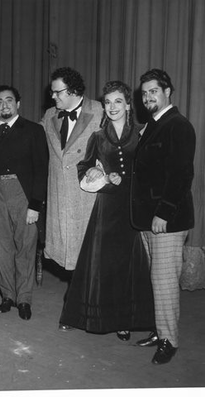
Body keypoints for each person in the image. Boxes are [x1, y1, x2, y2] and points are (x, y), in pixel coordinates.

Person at [58, 81, 155, 340]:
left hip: (133, 207)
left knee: (129, 264)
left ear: (127, 105)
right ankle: (97, 318)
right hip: (108, 208)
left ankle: (125, 320)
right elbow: (84, 167)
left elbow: (150, 169)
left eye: (117, 102)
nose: (112, 107)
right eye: (108, 102)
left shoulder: (143, 132)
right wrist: (96, 172)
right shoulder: (98, 137)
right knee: (104, 265)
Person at [131, 69, 195, 365]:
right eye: (144, 93)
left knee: (165, 280)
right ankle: (160, 331)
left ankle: (169, 340)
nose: (147, 98)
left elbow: (181, 175)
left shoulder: (178, 125)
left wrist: (163, 214)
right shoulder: (153, 124)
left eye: (153, 91)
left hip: (165, 220)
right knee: (154, 280)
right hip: (148, 220)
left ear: (168, 91)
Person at [39, 67, 102, 329]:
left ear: (74, 90)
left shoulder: (99, 111)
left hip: (88, 197)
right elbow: (32, 138)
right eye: (52, 92)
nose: (53, 97)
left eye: (58, 92)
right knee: (73, 257)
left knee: (93, 256)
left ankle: (88, 309)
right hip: (61, 198)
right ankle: (76, 307)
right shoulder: (49, 115)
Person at [0, 85, 48, 320]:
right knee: (2, 246)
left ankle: (24, 299)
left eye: (9, 100)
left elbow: (42, 170)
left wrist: (35, 205)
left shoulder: (33, 130)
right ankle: (7, 296)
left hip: (22, 192)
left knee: (25, 247)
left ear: (18, 104)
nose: (4, 105)